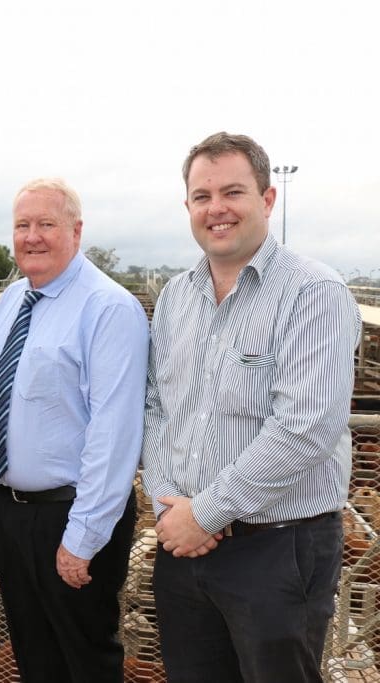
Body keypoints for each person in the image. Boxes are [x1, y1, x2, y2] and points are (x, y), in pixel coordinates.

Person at [143, 131, 361, 682]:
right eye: (201, 195)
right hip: (184, 548)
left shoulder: (313, 292)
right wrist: (172, 511)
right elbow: (156, 407)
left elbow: (307, 427)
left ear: (267, 199)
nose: (216, 209)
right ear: (188, 205)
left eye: (233, 192)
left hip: (277, 552)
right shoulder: (175, 297)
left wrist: (206, 512)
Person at [0, 178, 149, 681]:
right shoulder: (10, 301)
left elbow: (113, 435)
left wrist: (84, 535)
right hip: (11, 513)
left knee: (84, 656)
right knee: (35, 655)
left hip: (71, 514)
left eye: (46, 224)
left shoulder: (108, 308)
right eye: (22, 226)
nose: (32, 237)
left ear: (76, 230)